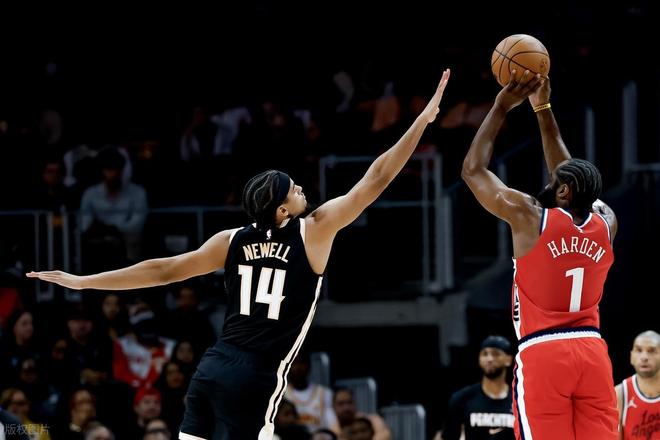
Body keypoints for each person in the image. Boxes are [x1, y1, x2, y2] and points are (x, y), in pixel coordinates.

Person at [27, 69, 451, 440]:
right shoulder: (314, 231)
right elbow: (377, 177)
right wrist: (422, 120)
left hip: (212, 367)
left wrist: (85, 281)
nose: (301, 189)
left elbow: (162, 271)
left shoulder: (230, 240)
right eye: (293, 189)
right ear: (282, 210)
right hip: (256, 376)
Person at [461, 71, 619, 440]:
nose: (549, 180)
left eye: (555, 182)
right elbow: (569, 175)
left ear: (563, 191)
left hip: (544, 350)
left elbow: (473, 170)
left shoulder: (531, 217)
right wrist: (542, 108)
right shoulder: (607, 222)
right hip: (592, 350)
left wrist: (500, 107)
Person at [440, 336, 514, 440]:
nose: (489, 359)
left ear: (508, 360)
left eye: (496, 354)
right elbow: (447, 436)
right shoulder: (462, 398)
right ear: (479, 358)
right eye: (485, 354)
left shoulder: (518, 400)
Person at [614, 330, 659, 439]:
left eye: (651, 351)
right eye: (639, 350)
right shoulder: (620, 394)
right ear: (631, 357)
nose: (644, 357)